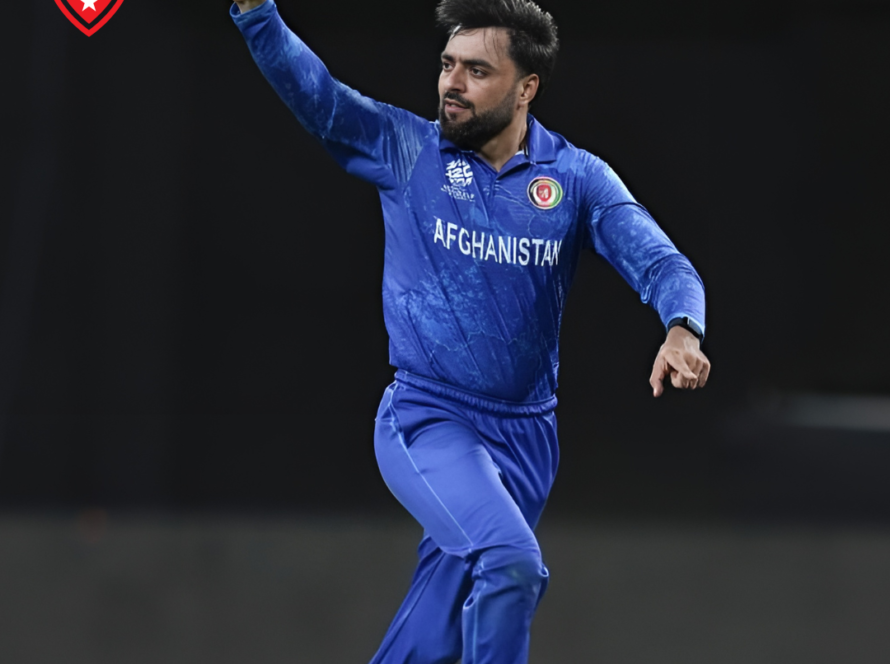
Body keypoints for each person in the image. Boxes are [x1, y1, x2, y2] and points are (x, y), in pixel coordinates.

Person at [230, 0, 710, 661]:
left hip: (527, 440)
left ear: (526, 88)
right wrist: (257, 13)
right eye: (447, 65)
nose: (452, 84)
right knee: (511, 563)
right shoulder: (406, 150)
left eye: (477, 71)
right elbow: (319, 96)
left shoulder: (574, 180)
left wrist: (683, 327)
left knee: (436, 634)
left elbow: (659, 260)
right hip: (428, 417)